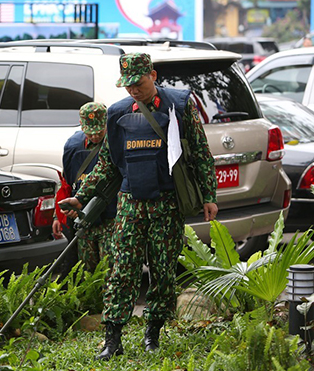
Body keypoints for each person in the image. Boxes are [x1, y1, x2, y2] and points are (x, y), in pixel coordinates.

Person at [59, 53, 218, 360]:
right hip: (130, 204)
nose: (133, 89)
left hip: (166, 203)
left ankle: (153, 333)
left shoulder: (179, 107)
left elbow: (199, 153)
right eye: (128, 84)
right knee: (122, 271)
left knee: (162, 271)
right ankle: (112, 338)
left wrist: (209, 196)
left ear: (153, 75)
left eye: (139, 82)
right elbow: (107, 165)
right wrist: (81, 197)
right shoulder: (117, 114)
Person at [52, 102, 117, 272]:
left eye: (99, 132)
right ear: (82, 126)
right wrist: (57, 216)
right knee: (86, 272)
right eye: (90, 132)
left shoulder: (116, 142)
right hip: (83, 222)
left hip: (111, 219)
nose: (95, 137)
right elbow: (66, 183)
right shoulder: (73, 146)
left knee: (109, 271)